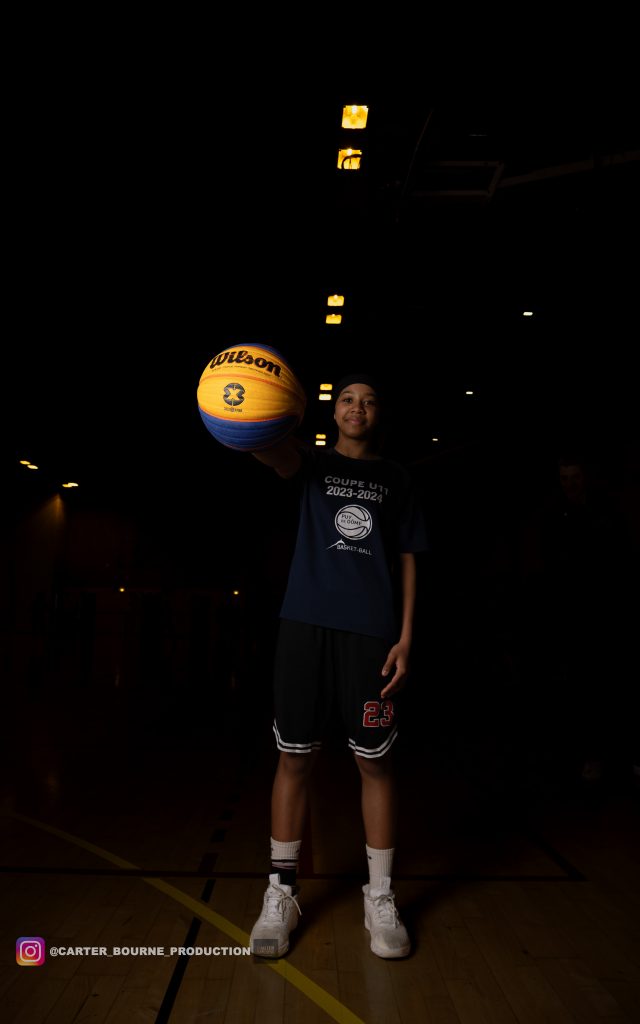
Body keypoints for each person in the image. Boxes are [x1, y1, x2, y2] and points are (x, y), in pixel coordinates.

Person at [248, 372, 428, 959]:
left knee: (374, 762)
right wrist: (251, 410)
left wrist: (406, 637)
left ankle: (380, 897)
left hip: (371, 634)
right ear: (333, 411)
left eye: (369, 400)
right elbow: (266, 449)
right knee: (294, 757)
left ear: (380, 414)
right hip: (304, 627)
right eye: (348, 398)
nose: (358, 407)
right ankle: (281, 893)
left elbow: (409, 558)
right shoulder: (311, 464)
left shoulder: (397, 477)